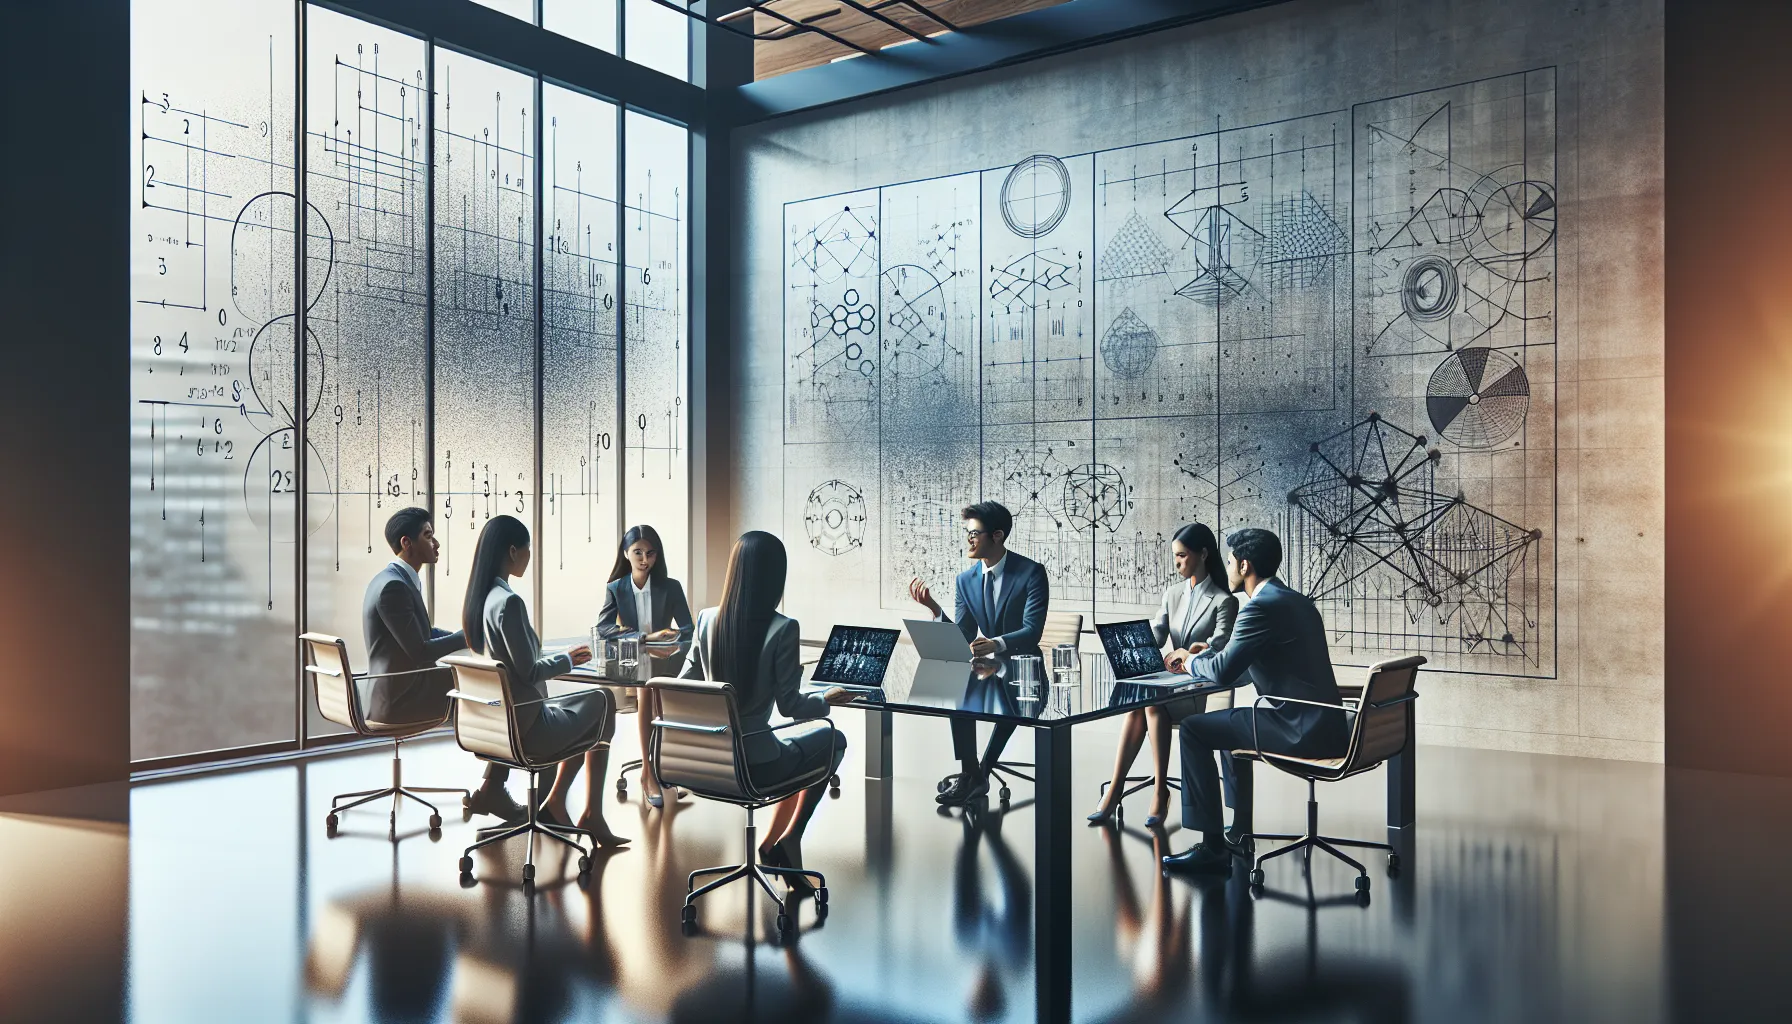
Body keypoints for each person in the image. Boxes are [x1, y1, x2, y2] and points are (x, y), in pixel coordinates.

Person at [1161, 528, 1349, 874]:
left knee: (1193, 730)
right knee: (1227, 725)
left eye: (1230, 562)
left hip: (1297, 729)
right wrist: (1212, 654)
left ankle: (1212, 848)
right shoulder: (1295, 601)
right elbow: (1247, 666)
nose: (1227, 568)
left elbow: (1224, 672)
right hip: (1328, 724)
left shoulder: (1259, 608)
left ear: (1245, 566)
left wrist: (1189, 661)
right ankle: (1239, 831)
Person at [680, 531, 854, 892]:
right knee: (832, 740)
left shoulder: (706, 620)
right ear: (776, 578)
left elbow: (684, 687)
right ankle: (790, 838)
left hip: (708, 764)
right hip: (756, 767)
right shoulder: (783, 628)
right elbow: (793, 707)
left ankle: (773, 843)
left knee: (794, 750)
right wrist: (826, 698)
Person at [464, 514, 628, 847]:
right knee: (605, 701)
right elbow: (530, 671)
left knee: (589, 709)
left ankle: (558, 803)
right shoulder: (509, 602)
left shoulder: (484, 600)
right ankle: (587, 813)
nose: (529, 556)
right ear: (513, 551)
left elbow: (516, 662)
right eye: (528, 549)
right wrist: (569, 659)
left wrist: (557, 656)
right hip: (529, 730)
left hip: (500, 725)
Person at [363, 507, 525, 820]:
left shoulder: (394, 578)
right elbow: (421, 651)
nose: (436, 543)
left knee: (492, 684)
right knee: (502, 688)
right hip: (399, 699)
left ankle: (492, 784)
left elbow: (422, 634)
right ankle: (493, 787)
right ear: (407, 543)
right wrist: (469, 636)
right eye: (428, 536)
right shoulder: (394, 587)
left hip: (396, 688)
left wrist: (464, 637)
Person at [1087, 522, 1238, 827]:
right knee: (1142, 706)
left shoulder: (1224, 601)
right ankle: (1124, 787)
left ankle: (1152, 789)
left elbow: (1220, 647)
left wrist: (1193, 652)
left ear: (1203, 554)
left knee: (1150, 705)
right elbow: (1157, 635)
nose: (1176, 563)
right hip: (1171, 682)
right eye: (1174, 556)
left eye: (1182, 556)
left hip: (1198, 686)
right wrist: (1128, 640)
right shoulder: (1173, 593)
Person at [908, 500, 1050, 807]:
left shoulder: (1031, 573)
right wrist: (934, 609)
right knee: (955, 688)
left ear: (997, 536)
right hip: (987, 670)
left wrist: (996, 643)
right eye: (967, 533)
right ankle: (972, 772)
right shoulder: (965, 580)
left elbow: (1032, 632)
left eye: (974, 533)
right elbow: (963, 634)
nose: (969, 539)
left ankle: (977, 775)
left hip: (1026, 669)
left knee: (1012, 698)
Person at [596, 524, 695, 808]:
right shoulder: (616, 588)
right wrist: (644, 638)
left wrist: (672, 641)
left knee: (662, 696)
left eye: (650, 553)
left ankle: (661, 768)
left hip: (665, 657)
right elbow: (603, 628)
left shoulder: (670, 586)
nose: (644, 559)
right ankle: (647, 772)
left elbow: (688, 629)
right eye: (637, 552)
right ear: (626, 553)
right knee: (646, 690)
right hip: (633, 658)